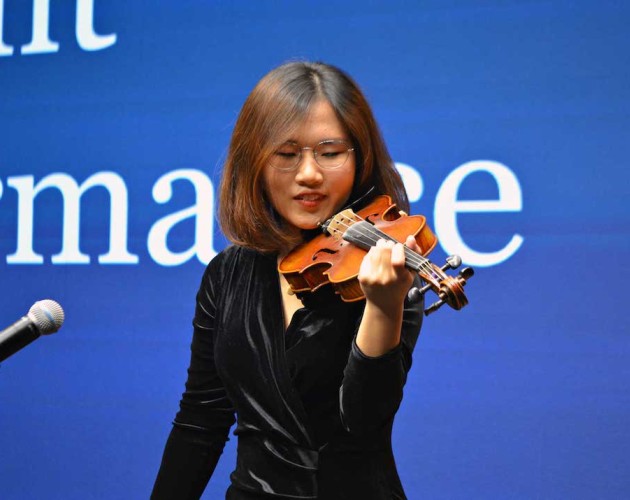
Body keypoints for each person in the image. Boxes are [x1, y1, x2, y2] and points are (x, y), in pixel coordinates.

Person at [151, 61, 424, 500]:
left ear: (360, 157)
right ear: (254, 160)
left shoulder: (389, 267)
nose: (309, 174)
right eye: (286, 154)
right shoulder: (227, 274)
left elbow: (362, 424)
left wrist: (384, 306)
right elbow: (200, 421)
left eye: (330, 152)